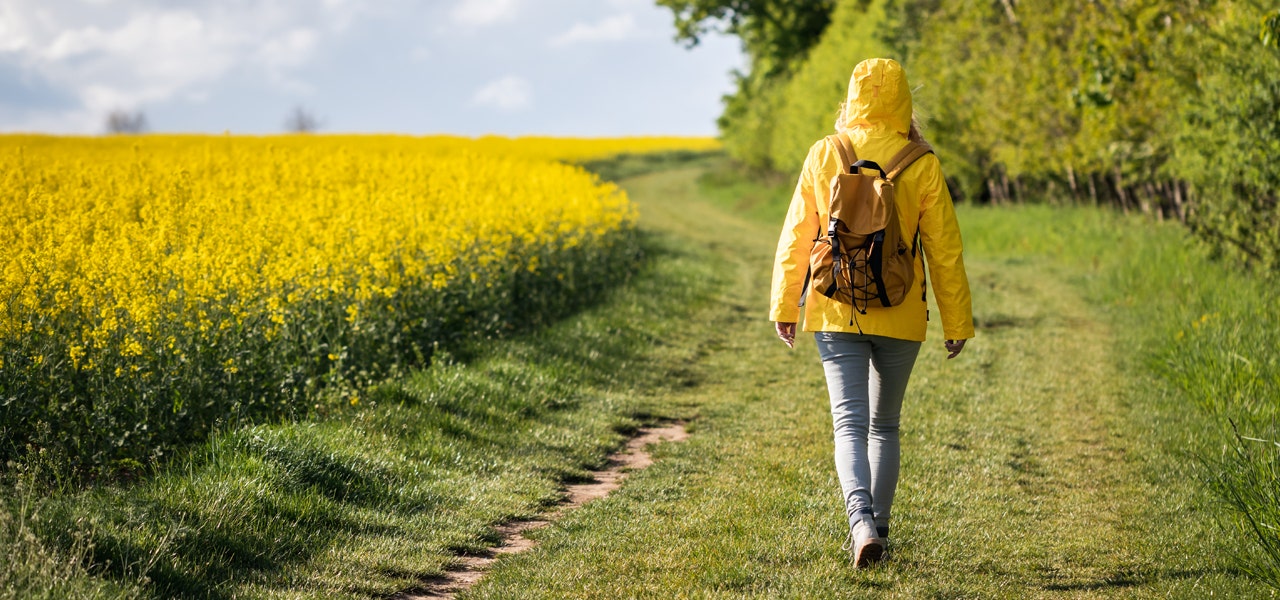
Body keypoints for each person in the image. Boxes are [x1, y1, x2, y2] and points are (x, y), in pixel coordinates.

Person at [768, 58, 974, 568]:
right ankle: (878, 529)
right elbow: (944, 250)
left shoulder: (826, 153)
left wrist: (784, 304)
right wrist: (957, 322)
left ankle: (859, 524)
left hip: (836, 308)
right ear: (905, 101)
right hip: (902, 312)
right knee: (885, 426)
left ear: (852, 98)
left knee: (848, 425)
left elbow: (798, 234)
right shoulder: (921, 161)